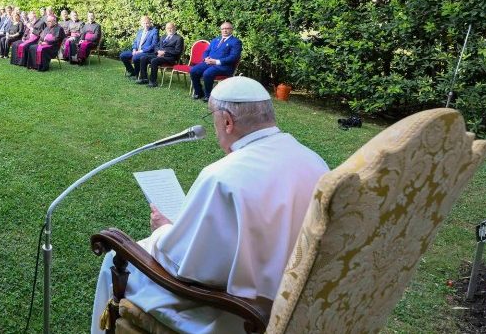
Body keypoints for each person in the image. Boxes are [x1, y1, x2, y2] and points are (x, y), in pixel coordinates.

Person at [91, 77, 329, 333]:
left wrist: (163, 230)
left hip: (237, 314)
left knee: (113, 259)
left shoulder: (222, 177)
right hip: (294, 302)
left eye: (212, 117)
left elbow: (185, 268)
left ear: (227, 121)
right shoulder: (314, 161)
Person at [190, 21, 242, 100]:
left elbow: (233, 57)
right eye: (223, 29)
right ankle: (199, 92)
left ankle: (208, 95)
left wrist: (216, 61)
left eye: (227, 28)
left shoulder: (236, 42)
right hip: (209, 63)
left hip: (224, 66)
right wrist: (205, 58)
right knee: (194, 70)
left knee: (207, 73)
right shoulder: (215, 39)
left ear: (232, 30)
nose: (225, 30)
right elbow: (206, 51)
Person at [136, 22, 184, 87]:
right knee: (143, 58)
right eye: (168, 28)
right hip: (159, 55)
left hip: (170, 58)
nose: (169, 30)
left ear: (174, 28)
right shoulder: (163, 37)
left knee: (154, 60)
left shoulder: (179, 38)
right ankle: (144, 78)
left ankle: (153, 82)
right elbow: (156, 46)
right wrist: (158, 51)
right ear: (166, 29)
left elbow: (177, 51)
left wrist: (164, 53)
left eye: (171, 28)